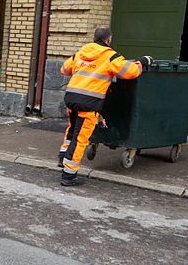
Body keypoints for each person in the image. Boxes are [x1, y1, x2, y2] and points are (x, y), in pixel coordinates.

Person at [57, 26, 152, 186]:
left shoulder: (81, 53)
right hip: (88, 103)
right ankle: (68, 174)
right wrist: (142, 61)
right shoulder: (111, 56)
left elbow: (64, 69)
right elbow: (131, 72)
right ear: (108, 40)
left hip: (72, 99)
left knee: (72, 130)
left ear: (94, 38)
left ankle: (63, 158)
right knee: (80, 139)